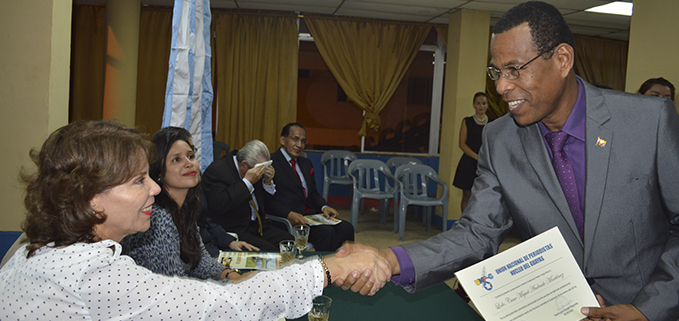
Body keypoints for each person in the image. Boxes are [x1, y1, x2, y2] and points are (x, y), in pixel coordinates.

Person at [336, 2, 679, 321]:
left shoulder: (648, 122)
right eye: (496, 71)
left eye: (514, 70)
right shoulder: (501, 139)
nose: (501, 87)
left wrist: (647, 309)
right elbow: (476, 234)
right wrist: (390, 259)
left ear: (562, 59)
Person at [0, 120, 388, 320]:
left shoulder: (34, 251)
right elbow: (221, 307)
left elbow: (203, 269)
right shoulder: (91, 274)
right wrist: (329, 268)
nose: (154, 190)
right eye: (139, 181)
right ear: (89, 198)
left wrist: (225, 276)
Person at [120, 127, 257, 281]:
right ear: (159, 172)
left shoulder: (185, 208)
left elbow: (199, 261)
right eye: (177, 159)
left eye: (191, 156)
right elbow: (176, 286)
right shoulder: (158, 217)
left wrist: (230, 275)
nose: (188, 163)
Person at [268, 123, 355, 252]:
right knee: (327, 232)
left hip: (310, 215)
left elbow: (313, 193)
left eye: (303, 141)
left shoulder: (305, 163)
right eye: (295, 139)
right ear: (282, 140)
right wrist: (288, 214)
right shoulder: (271, 163)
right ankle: (324, 269)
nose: (299, 145)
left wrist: (324, 207)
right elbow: (268, 199)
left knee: (347, 228)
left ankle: (342, 266)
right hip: (289, 218)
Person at [202, 139, 294, 252]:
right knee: (271, 252)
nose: (261, 173)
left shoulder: (254, 166)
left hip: (258, 225)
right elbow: (219, 205)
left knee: (289, 243)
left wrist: (267, 183)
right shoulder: (217, 171)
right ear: (244, 165)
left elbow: (265, 205)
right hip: (236, 229)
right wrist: (247, 183)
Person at [452, 92, 492, 211]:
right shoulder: (467, 121)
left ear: (487, 105)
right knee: (467, 195)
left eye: (484, 103)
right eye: (478, 103)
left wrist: (484, 159)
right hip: (469, 163)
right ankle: (465, 226)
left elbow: (493, 144)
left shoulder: (492, 124)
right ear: (473, 105)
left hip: (485, 164)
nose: (481, 106)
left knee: (482, 196)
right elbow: (462, 144)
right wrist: (477, 157)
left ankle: (478, 225)